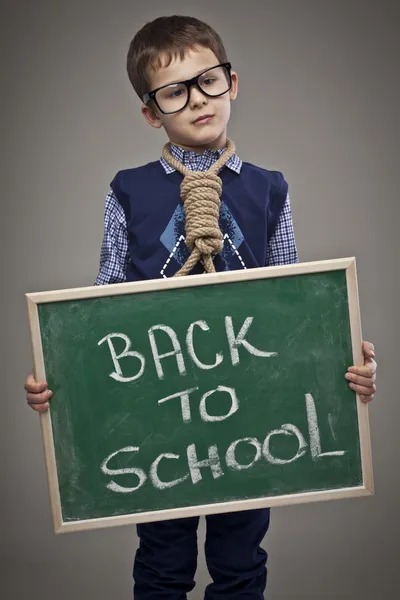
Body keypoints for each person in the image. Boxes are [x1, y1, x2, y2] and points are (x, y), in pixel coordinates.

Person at [24, 15, 377, 600]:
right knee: (163, 563)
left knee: (241, 561)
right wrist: (58, 374)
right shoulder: (128, 190)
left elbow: (297, 301)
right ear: (150, 111)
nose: (196, 100)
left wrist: (343, 355)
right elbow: (100, 302)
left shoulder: (270, 188)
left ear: (232, 82)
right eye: (173, 91)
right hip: (155, 416)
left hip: (252, 416)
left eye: (208, 80)